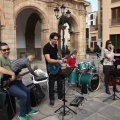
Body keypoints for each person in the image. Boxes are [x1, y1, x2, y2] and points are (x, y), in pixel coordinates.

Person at [0, 42, 38, 120]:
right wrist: (12, 73)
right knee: (23, 95)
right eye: (4, 50)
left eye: (8, 49)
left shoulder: (7, 59)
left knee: (27, 90)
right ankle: (22, 115)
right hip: (5, 84)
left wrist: (17, 76)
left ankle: (28, 110)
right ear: (0, 51)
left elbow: (11, 70)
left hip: (12, 80)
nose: (7, 51)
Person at [43, 32, 67, 106]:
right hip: (51, 68)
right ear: (50, 38)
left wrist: (62, 59)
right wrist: (58, 61)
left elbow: (56, 57)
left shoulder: (56, 46)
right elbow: (49, 60)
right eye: (54, 39)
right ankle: (52, 99)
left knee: (60, 83)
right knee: (51, 84)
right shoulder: (46, 47)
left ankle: (60, 96)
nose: (55, 41)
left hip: (57, 67)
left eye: (57, 39)